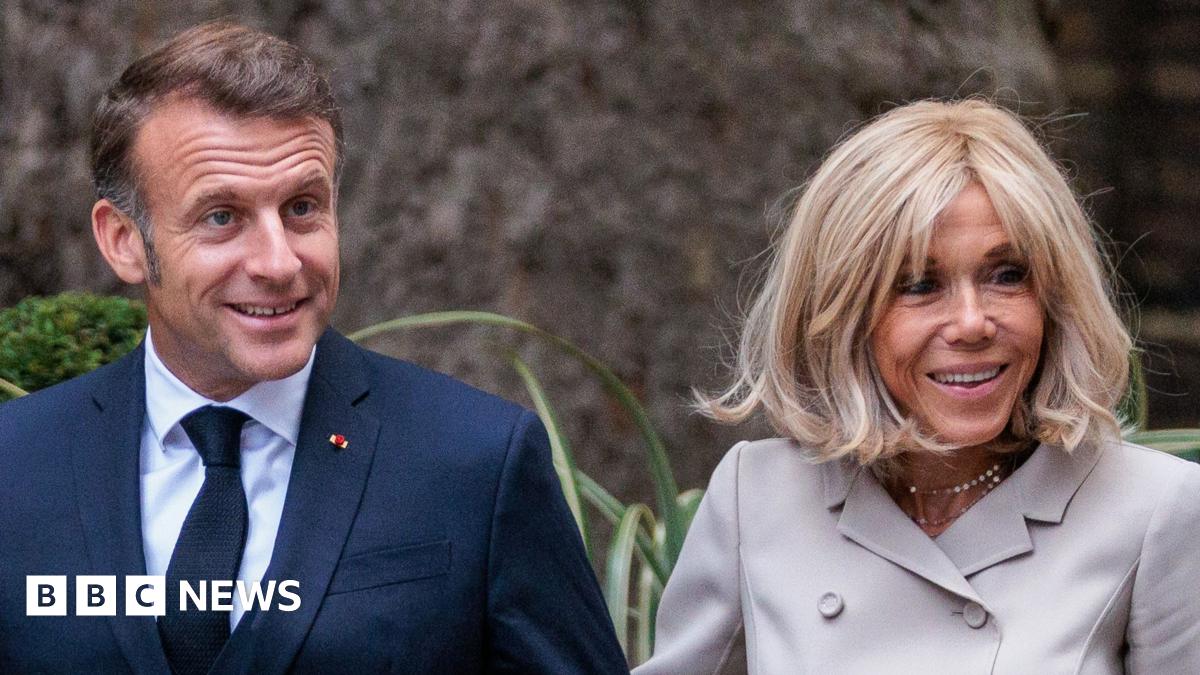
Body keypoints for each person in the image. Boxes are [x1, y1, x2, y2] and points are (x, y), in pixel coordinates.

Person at [0, 22, 628, 674]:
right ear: (124, 240)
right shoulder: (13, 466)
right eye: (222, 216)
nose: (278, 261)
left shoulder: (478, 464)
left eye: (302, 207)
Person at [635, 99, 1200, 673]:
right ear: (845, 314)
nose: (973, 322)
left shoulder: (1154, 507)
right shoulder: (755, 495)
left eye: (1007, 275)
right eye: (919, 285)